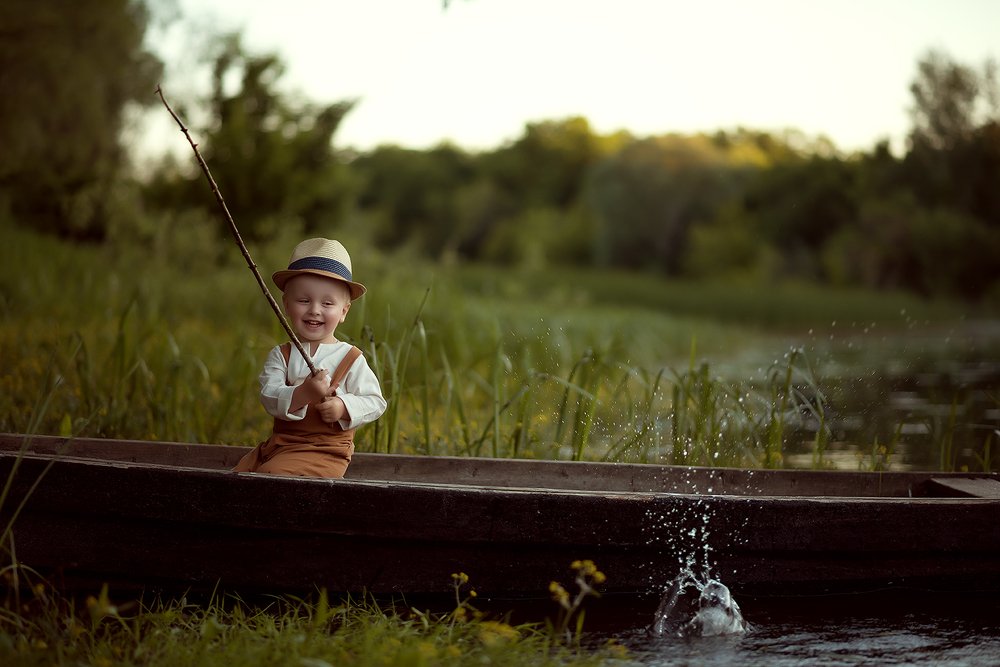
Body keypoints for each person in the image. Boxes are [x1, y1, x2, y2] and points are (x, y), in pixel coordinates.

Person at [233, 238, 386, 478]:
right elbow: (269, 395)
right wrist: (303, 394)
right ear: (286, 305)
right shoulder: (281, 355)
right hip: (281, 446)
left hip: (325, 451)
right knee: (240, 473)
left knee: (270, 475)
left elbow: (375, 402)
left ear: (343, 311)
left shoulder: (351, 357)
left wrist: (342, 406)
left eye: (327, 303)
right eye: (304, 300)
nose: (314, 309)